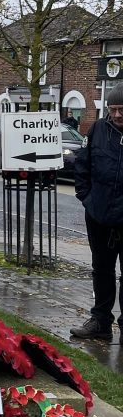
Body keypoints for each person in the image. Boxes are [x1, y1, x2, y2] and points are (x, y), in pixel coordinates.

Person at [70, 83, 123, 341]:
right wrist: (87, 198)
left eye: (122, 110)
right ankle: (101, 321)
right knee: (101, 269)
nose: (116, 115)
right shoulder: (99, 130)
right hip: (99, 215)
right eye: (112, 109)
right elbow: (83, 164)